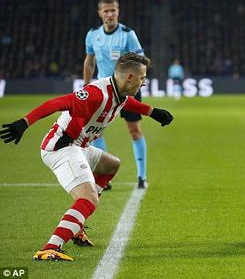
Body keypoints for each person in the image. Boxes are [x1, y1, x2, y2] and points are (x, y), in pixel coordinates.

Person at [0, 53, 173, 261]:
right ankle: (50, 248)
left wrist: (153, 112)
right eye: (142, 78)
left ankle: (77, 226)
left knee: (111, 165)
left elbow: (125, 104)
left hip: (81, 146)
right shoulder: (95, 93)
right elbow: (57, 103)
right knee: (88, 198)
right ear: (129, 77)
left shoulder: (119, 93)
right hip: (62, 148)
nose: (144, 83)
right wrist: (25, 122)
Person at [83, 0, 149, 188]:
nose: (110, 14)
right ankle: (105, 176)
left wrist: (135, 79)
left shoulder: (128, 34)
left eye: (113, 11)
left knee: (135, 131)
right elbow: (89, 61)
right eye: (106, 11)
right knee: (95, 132)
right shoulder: (92, 34)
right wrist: (87, 87)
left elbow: (141, 59)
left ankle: (141, 177)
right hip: (104, 90)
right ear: (100, 13)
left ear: (118, 12)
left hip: (128, 90)